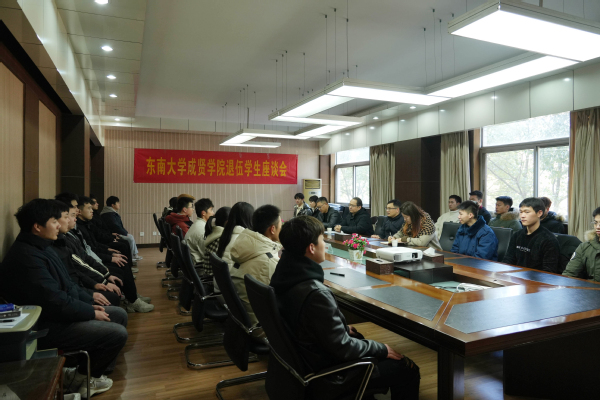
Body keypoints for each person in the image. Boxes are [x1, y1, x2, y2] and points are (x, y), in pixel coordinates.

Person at [270, 216, 420, 399]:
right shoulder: (316, 293)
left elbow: (306, 321)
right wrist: (381, 348)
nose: (325, 244)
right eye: (322, 240)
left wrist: (339, 329)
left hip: (306, 360)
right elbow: (343, 348)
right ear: (311, 248)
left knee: (357, 335)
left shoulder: (283, 274)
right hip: (329, 376)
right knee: (406, 368)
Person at [0, 199, 128, 398]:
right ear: (37, 227)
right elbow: (54, 302)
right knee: (117, 333)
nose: (59, 225)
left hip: (59, 313)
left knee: (118, 314)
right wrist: (89, 312)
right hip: (45, 326)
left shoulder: (43, 246)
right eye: (54, 221)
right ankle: (84, 379)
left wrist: (89, 300)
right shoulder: (27, 257)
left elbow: (68, 284)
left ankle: (89, 373)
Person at [53, 201, 122, 307]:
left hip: (78, 287)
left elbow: (85, 255)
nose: (76, 215)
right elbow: (76, 270)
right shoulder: (57, 243)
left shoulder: (69, 235)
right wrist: (96, 286)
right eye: (69, 216)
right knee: (114, 301)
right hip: (73, 295)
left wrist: (101, 278)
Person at [230, 204, 282, 325]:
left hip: (243, 320)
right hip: (262, 325)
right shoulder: (268, 262)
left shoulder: (246, 247)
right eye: (281, 225)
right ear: (272, 229)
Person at [502, 197, 560, 273]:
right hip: (516, 276)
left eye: (527, 212)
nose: (522, 216)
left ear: (539, 213)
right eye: (521, 212)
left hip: (537, 279)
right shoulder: (517, 235)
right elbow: (508, 260)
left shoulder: (549, 240)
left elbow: (549, 271)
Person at [562, 207, 600, 281]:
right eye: (596, 223)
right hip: (590, 287)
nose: (598, 227)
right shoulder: (584, 247)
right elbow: (569, 274)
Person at [100, 196, 142, 261]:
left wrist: (125, 232)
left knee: (130, 236)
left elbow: (119, 226)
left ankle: (134, 255)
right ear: (113, 205)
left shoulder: (111, 213)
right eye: (117, 203)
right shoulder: (109, 214)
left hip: (115, 233)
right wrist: (124, 233)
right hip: (113, 234)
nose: (119, 204)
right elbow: (115, 226)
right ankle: (132, 257)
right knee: (130, 238)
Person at [200, 206, 231, 276]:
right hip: (213, 278)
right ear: (227, 222)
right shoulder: (221, 239)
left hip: (209, 274)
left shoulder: (214, 233)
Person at [186, 198, 214, 264]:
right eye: (211, 210)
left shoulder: (197, 224)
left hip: (193, 262)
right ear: (203, 213)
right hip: (199, 266)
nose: (213, 213)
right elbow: (207, 255)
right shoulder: (202, 230)